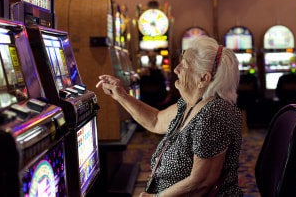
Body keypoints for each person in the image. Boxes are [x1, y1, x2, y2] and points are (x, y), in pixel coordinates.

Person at [96, 36, 242, 196]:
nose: (176, 69)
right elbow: (155, 120)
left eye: (184, 65)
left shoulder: (214, 112)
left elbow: (202, 182)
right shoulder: (189, 104)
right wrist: (121, 95)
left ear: (203, 79)